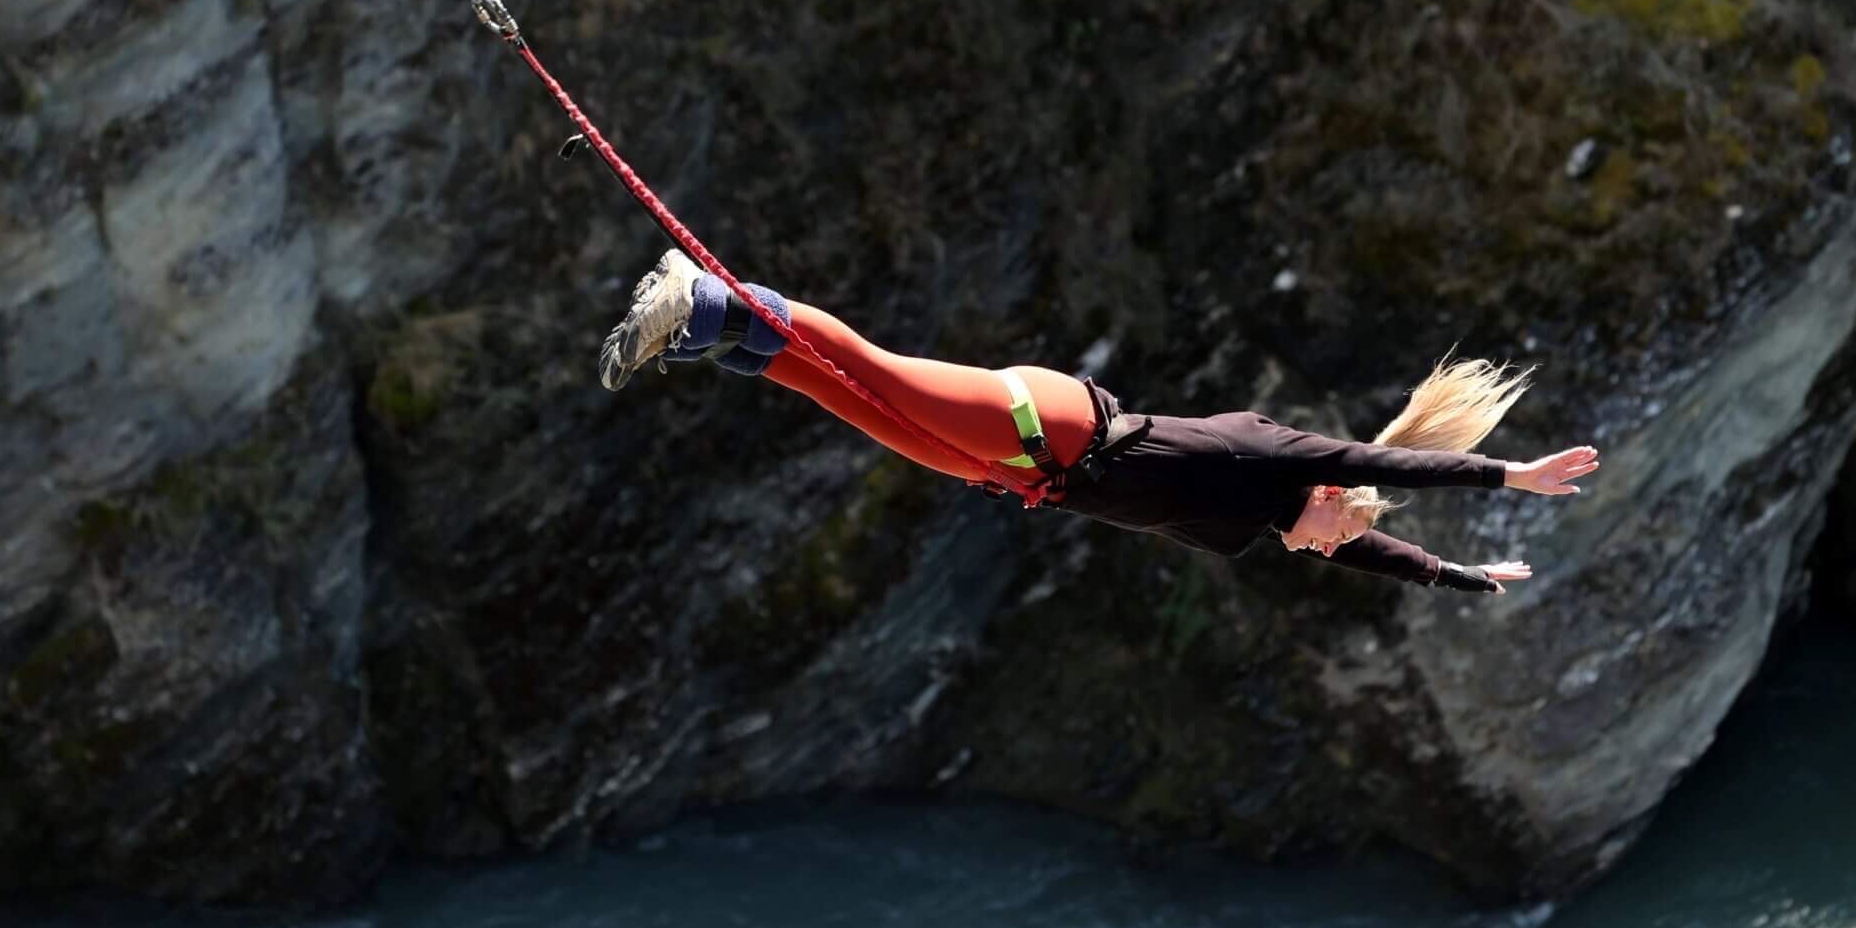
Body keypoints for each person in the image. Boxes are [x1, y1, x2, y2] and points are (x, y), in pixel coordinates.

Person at [599, 248, 1600, 592]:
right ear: (1330, 497)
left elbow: (1376, 556)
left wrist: (1465, 578)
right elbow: (1378, 464)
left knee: (842, 395)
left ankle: (719, 337)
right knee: (877, 372)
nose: (1325, 551)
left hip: (1023, 469)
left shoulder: (1264, 524)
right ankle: (711, 297)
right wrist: (1511, 478)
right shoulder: (1269, 460)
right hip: (1052, 422)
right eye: (1339, 529)